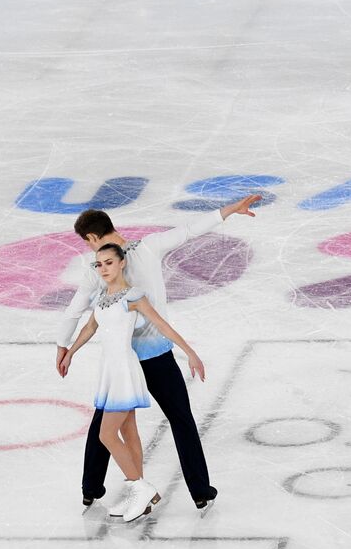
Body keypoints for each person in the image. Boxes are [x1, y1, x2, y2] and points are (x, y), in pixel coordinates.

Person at [56, 195, 262, 513]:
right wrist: (228, 211)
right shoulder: (149, 246)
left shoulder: (96, 267)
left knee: (104, 423)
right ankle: (200, 490)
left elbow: (76, 311)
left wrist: (63, 345)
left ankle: (90, 488)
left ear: (93, 238)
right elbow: (190, 230)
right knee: (181, 420)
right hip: (156, 357)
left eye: (87, 244)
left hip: (121, 362)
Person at [63, 245, 205, 522]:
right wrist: (70, 352)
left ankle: (141, 489)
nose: (103, 269)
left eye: (108, 263)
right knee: (129, 432)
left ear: (122, 263)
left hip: (125, 371)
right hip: (109, 371)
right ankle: (137, 491)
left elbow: (162, 325)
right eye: (99, 264)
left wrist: (190, 352)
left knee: (105, 434)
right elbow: (90, 328)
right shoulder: (102, 296)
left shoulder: (133, 297)